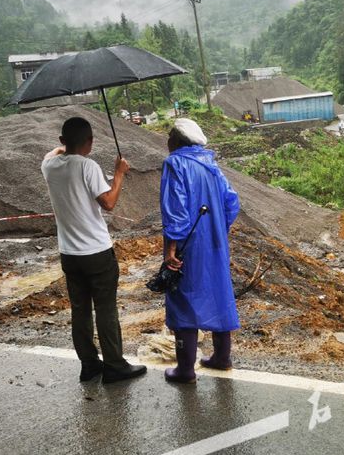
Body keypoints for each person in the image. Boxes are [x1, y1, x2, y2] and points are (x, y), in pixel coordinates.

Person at [41, 116, 146, 384]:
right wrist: (119, 174)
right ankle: (114, 365)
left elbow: (53, 152)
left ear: (63, 141)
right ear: (90, 142)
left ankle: (89, 365)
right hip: (97, 253)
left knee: (81, 310)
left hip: (69, 254)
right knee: (106, 308)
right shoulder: (88, 167)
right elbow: (108, 203)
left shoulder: (50, 166)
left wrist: (66, 147)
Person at [160, 118, 240, 384]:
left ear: (177, 140)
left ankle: (185, 370)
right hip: (214, 242)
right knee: (218, 293)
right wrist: (217, 229)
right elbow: (232, 202)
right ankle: (222, 358)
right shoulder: (211, 165)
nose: (167, 140)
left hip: (188, 244)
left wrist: (172, 246)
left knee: (183, 298)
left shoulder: (175, 164)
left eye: (169, 135)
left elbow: (177, 209)